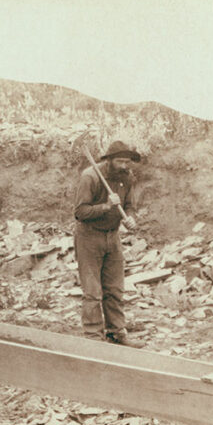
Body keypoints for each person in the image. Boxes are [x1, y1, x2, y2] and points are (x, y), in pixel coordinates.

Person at [73, 140, 141, 346]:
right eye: (120, 161)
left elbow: (129, 206)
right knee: (93, 292)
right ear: (109, 160)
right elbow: (80, 212)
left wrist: (130, 218)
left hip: (113, 237)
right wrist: (106, 206)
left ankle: (116, 332)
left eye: (127, 162)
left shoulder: (127, 177)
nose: (124, 165)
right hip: (89, 237)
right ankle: (93, 337)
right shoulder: (90, 177)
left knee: (114, 289)